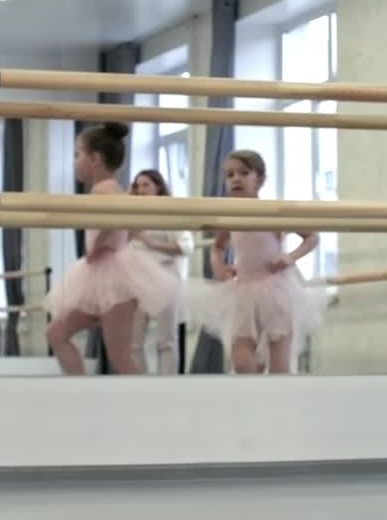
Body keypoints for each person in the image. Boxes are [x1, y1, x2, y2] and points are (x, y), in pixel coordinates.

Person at [45, 123, 179, 375]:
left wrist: (98, 244)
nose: (74, 162)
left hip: (111, 276)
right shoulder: (109, 189)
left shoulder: (104, 190)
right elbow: (126, 226)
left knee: (119, 355)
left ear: (95, 159)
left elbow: (115, 220)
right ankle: (83, 391)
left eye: (77, 155)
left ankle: (148, 404)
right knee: (57, 333)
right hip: (101, 274)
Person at [199, 150, 328, 375]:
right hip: (243, 292)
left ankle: (278, 403)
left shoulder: (273, 211)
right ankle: (252, 402)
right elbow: (218, 246)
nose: (236, 179)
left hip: (276, 290)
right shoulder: (227, 215)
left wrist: (289, 257)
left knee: (279, 363)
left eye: (243, 173)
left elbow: (312, 237)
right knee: (242, 363)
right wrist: (219, 265)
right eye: (229, 175)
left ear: (260, 180)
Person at [128, 170, 194, 374]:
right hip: (138, 279)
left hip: (166, 276)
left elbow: (185, 247)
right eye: (138, 186)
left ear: (158, 187)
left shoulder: (171, 212)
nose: (141, 190)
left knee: (167, 339)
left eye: (146, 185)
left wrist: (150, 242)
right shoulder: (130, 215)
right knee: (134, 340)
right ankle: (140, 385)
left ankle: (168, 385)